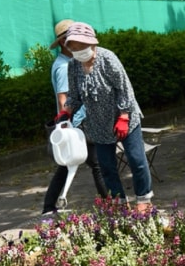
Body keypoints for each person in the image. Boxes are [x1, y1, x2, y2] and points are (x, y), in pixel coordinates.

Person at [63, 22, 153, 212]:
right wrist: (67, 110)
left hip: (124, 118)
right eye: (74, 48)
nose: (78, 51)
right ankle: (120, 203)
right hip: (97, 123)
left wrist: (124, 116)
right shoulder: (73, 66)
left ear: (92, 44)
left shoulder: (107, 58)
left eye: (81, 46)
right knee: (106, 167)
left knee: (136, 160)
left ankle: (144, 199)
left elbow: (125, 89)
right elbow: (74, 95)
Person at [42, 20, 108, 216]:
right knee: (98, 163)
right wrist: (68, 127)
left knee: (66, 166)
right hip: (77, 125)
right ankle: (112, 206)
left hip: (77, 124)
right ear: (64, 42)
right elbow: (63, 99)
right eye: (75, 41)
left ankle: (48, 207)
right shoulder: (63, 67)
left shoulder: (69, 63)